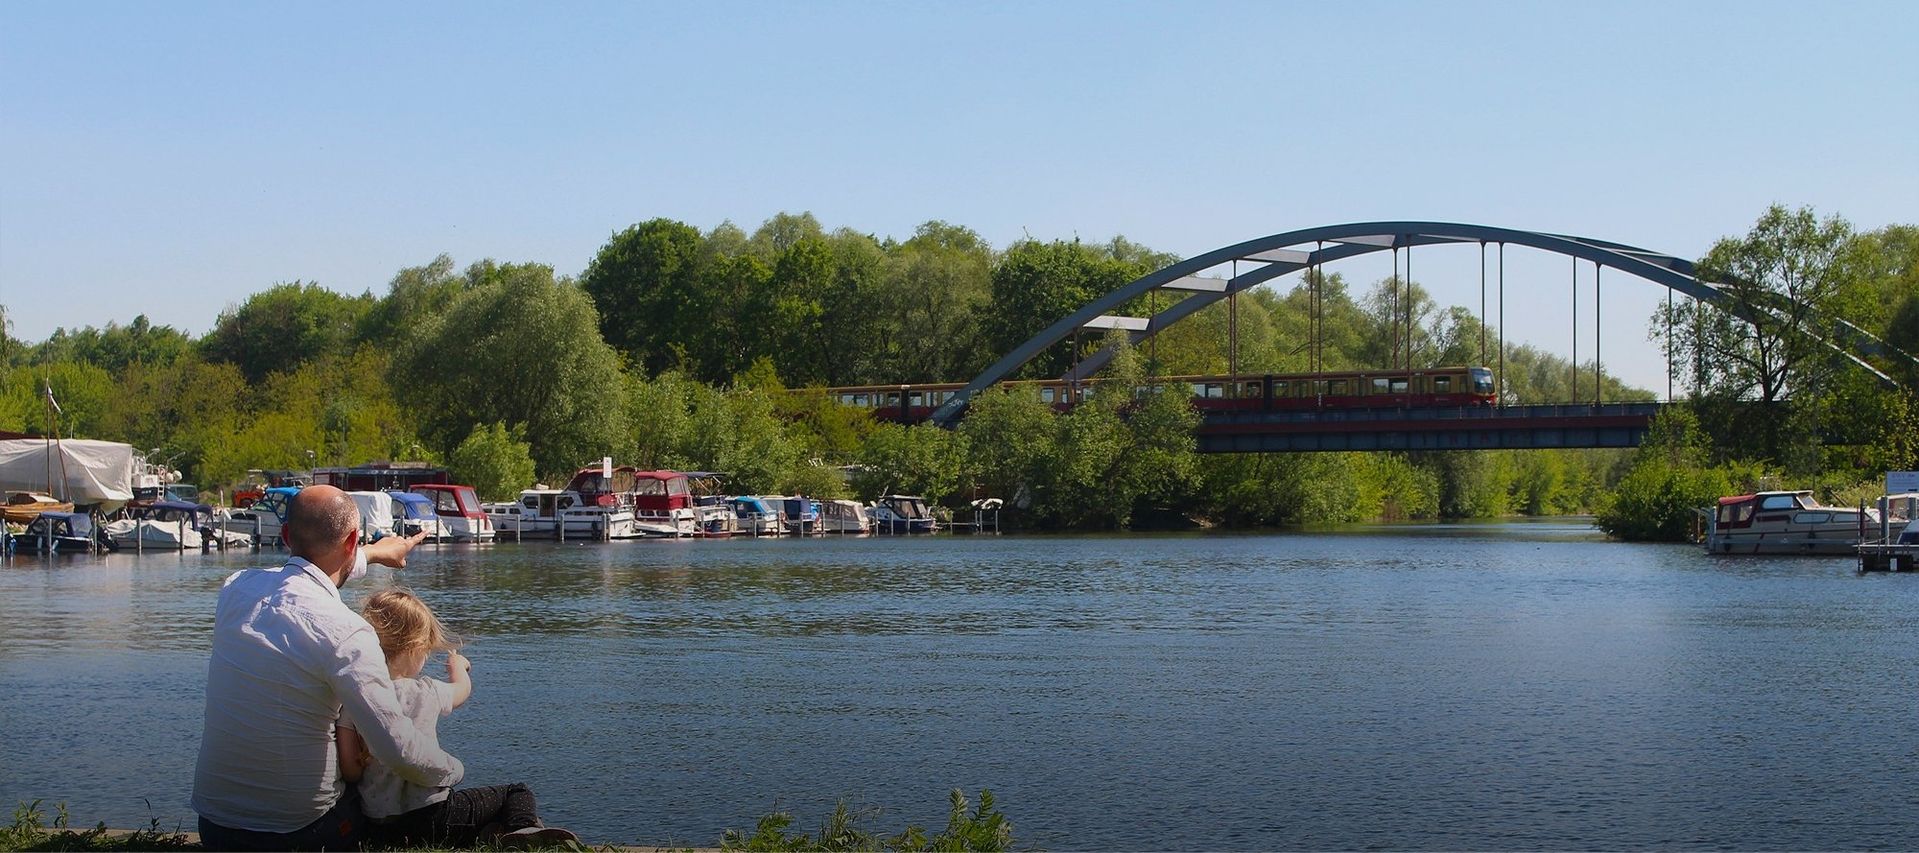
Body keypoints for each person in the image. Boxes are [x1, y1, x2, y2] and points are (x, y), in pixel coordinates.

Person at [191, 485, 459, 851]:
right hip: (300, 833)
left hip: (216, 827)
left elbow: (312, 569)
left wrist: (376, 554)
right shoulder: (348, 632)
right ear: (352, 540)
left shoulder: (235, 590)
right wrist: (453, 770)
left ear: (287, 536)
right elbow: (397, 749)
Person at [338, 589, 578, 848]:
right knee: (516, 792)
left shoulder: (353, 702)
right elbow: (461, 691)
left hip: (378, 825)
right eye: (426, 650)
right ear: (414, 648)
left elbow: (351, 770)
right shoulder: (426, 690)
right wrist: (458, 667)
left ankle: (492, 833)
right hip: (436, 815)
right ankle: (523, 831)